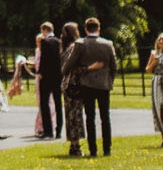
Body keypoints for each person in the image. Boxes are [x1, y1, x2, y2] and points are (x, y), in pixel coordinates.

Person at [64, 17, 117, 159]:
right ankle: (107, 149)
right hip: (104, 85)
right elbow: (114, 66)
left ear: (86, 29)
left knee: (90, 118)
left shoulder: (80, 44)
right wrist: (109, 79)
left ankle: (93, 149)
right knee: (105, 117)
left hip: (86, 84)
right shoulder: (108, 44)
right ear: (98, 29)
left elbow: (67, 66)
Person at [59, 20, 85, 157]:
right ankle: (76, 145)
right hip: (74, 84)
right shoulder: (74, 47)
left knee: (70, 115)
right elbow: (72, 67)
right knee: (76, 115)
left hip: (66, 84)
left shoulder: (64, 47)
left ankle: (73, 144)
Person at [35, 21, 63, 141]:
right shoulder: (59, 42)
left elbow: (44, 60)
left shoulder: (45, 42)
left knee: (44, 103)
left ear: (45, 30)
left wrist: (40, 72)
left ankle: (48, 131)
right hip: (57, 77)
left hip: (46, 78)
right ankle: (59, 130)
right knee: (58, 103)